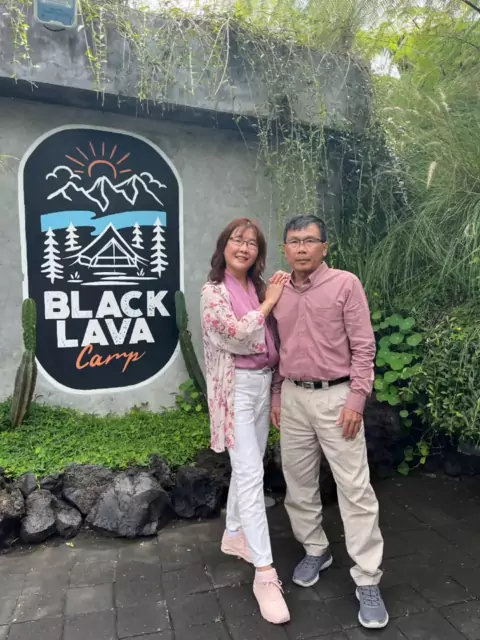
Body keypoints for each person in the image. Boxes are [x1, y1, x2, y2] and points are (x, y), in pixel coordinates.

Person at [270, 214, 388, 630]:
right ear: (285, 249)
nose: (301, 248)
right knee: (298, 483)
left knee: (354, 489)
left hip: (338, 398)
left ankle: (367, 578)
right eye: (293, 241)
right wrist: (277, 394)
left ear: (324, 247)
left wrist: (357, 399)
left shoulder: (345, 284)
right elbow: (275, 348)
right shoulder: (277, 290)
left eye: (309, 240)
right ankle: (316, 549)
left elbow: (364, 346)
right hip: (294, 397)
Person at [200, 218, 290, 625]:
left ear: (259, 253)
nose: (244, 247)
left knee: (247, 470)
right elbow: (236, 334)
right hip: (234, 389)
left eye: (252, 243)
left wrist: (276, 390)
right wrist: (269, 303)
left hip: (262, 384)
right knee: (251, 474)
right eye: (237, 240)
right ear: (224, 246)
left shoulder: (257, 286)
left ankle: (235, 534)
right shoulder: (213, 292)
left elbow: (274, 341)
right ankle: (265, 575)